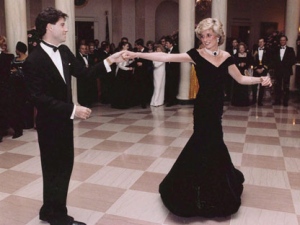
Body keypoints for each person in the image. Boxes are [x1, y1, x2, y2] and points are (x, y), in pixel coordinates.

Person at [123, 17, 272, 218]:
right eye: (202, 36)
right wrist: (135, 53)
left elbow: (240, 78)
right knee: (204, 142)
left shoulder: (227, 56)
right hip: (203, 108)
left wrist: (260, 79)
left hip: (217, 107)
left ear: (218, 36)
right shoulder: (196, 54)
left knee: (215, 142)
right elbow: (166, 58)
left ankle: (218, 186)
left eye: (209, 35)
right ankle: (194, 189)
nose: (205, 39)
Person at [23, 7, 125, 225]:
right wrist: (72, 109)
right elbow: (38, 98)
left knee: (64, 166)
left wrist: (110, 60)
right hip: (50, 124)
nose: (66, 29)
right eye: (62, 24)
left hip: (64, 123)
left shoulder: (64, 51)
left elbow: (85, 73)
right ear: (49, 27)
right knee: (54, 168)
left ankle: (48, 209)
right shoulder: (34, 60)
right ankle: (57, 216)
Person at [272, 35, 296, 106]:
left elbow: (293, 60)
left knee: (286, 86)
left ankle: (285, 102)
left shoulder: (290, 50)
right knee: (277, 86)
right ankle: (277, 101)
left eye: (284, 40)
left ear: (286, 41)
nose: (282, 41)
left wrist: (286, 64)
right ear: (280, 41)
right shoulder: (276, 49)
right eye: (281, 40)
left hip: (286, 71)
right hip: (278, 71)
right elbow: (273, 59)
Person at [111, 41, 134, 109]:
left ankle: (124, 103)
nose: (128, 47)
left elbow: (125, 63)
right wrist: (128, 69)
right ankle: (119, 104)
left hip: (124, 73)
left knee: (124, 88)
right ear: (123, 46)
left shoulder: (125, 53)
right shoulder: (119, 54)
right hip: (121, 73)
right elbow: (119, 65)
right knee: (121, 89)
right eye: (127, 46)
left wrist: (131, 61)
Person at [231, 42, 252, 106]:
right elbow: (233, 63)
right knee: (237, 87)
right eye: (240, 48)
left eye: (242, 48)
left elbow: (251, 63)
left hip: (245, 73)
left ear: (245, 48)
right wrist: (239, 64)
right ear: (238, 49)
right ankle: (236, 102)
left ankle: (244, 102)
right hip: (237, 72)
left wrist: (246, 65)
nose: (241, 49)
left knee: (244, 87)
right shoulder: (235, 55)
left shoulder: (248, 55)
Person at [252, 38, 270, 106]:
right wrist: (256, 68)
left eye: (262, 42)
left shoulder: (268, 51)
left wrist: (263, 68)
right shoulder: (254, 50)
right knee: (254, 86)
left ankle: (260, 101)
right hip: (256, 70)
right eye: (259, 42)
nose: (260, 43)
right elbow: (252, 60)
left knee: (262, 86)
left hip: (263, 70)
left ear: (264, 43)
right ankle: (253, 100)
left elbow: (269, 61)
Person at [164, 36, 180, 107]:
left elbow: (177, 61)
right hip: (168, 71)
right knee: (169, 86)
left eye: (167, 43)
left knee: (173, 86)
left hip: (174, 72)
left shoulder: (176, 50)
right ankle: (170, 100)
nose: (166, 44)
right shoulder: (166, 51)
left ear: (171, 44)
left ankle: (172, 100)